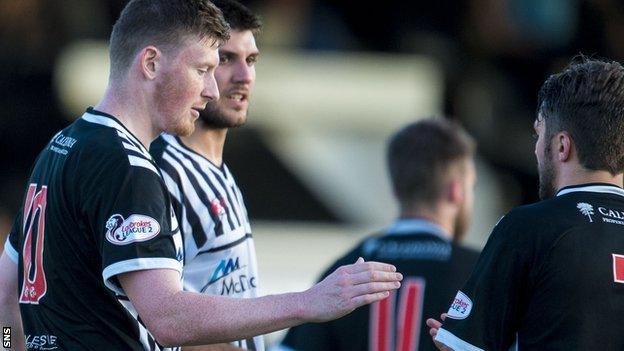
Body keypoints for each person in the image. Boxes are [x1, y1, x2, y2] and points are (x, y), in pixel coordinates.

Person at [0, 1, 403, 350]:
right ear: (152, 63)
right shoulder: (129, 169)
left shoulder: (61, 146)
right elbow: (168, 318)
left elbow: (5, 295)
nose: (212, 90)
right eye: (203, 69)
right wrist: (308, 302)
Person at [427, 58, 624, 350]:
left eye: (538, 133)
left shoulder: (527, 228)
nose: (535, 147)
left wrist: (454, 342)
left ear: (561, 145)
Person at [278, 118, 481, 351]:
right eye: (471, 186)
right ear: (456, 190)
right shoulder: (480, 272)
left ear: (395, 189)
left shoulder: (345, 271)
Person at [149, 0, 261, 349]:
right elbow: (160, 318)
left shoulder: (218, 170)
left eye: (251, 60)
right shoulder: (162, 173)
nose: (243, 76)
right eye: (226, 59)